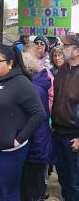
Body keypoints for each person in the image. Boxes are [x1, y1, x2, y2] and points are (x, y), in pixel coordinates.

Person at [0, 45, 46, 201]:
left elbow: (39, 114)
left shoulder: (21, 83)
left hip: (9, 151)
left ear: (10, 63)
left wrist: (18, 139)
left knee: (9, 193)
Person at [21, 52, 56, 201]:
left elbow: (34, 115)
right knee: (34, 179)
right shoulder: (38, 83)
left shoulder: (32, 87)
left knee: (31, 181)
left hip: (34, 140)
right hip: (38, 138)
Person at [52, 34, 79, 201]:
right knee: (63, 178)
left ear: (77, 51)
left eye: (66, 46)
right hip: (58, 133)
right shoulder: (62, 70)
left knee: (75, 181)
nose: (62, 49)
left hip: (74, 137)